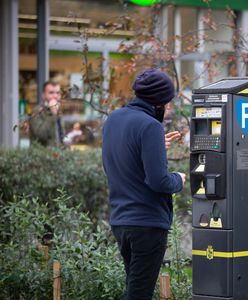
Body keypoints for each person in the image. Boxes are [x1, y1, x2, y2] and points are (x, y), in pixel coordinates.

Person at [102, 68, 186, 300]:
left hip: (121, 222)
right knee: (140, 294)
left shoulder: (113, 119)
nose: (168, 108)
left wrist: (155, 149)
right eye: (167, 103)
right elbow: (158, 181)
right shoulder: (150, 126)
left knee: (135, 289)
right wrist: (179, 179)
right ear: (158, 102)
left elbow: (118, 163)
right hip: (147, 224)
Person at [29, 80, 64, 147]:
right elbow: (40, 135)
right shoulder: (36, 111)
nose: (55, 96)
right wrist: (52, 114)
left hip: (59, 155)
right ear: (43, 95)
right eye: (51, 93)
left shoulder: (58, 110)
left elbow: (61, 135)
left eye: (57, 93)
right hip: (43, 155)